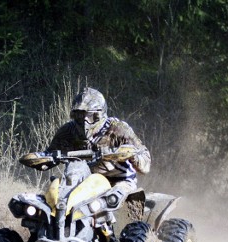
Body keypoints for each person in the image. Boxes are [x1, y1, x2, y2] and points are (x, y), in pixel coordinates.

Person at [47, 87, 151, 217]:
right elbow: (49, 155)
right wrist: (40, 159)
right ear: (74, 115)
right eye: (80, 116)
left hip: (118, 181)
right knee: (54, 197)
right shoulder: (68, 131)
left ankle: (125, 233)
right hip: (82, 181)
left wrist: (131, 154)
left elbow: (145, 162)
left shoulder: (117, 129)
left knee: (117, 201)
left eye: (91, 116)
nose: (85, 121)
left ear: (100, 114)